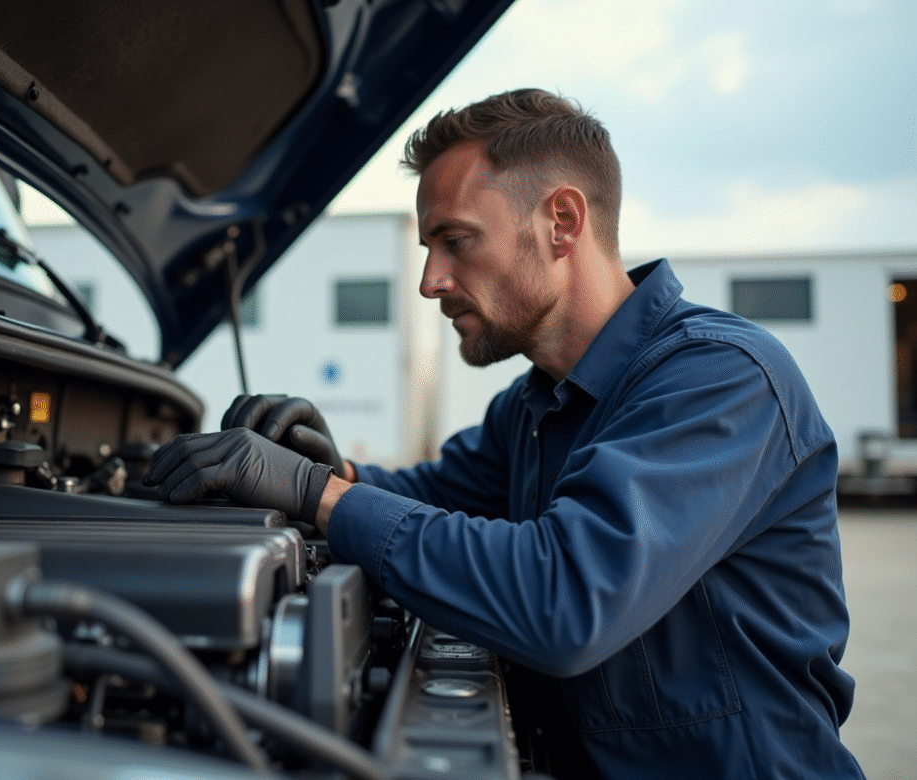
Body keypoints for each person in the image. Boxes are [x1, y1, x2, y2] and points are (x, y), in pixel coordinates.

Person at [143, 89, 864, 779]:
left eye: (455, 241)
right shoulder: (533, 406)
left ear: (561, 221)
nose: (430, 281)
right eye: (429, 247)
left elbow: (564, 601)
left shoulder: (719, 380)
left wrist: (317, 494)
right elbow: (433, 497)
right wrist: (332, 471)